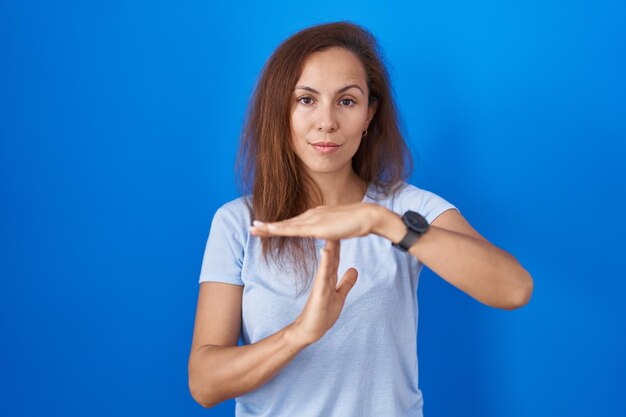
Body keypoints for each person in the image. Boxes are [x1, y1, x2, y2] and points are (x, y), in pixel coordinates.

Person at [188, 21, 533, 416]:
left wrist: (382, 222)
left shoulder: (406, 206)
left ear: (370, 114)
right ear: (280, 108)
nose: (327, 122)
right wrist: (300, 334)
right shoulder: (237, 223)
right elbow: (204, 383)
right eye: (306, 99)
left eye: (347, 101)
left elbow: (514, 288)